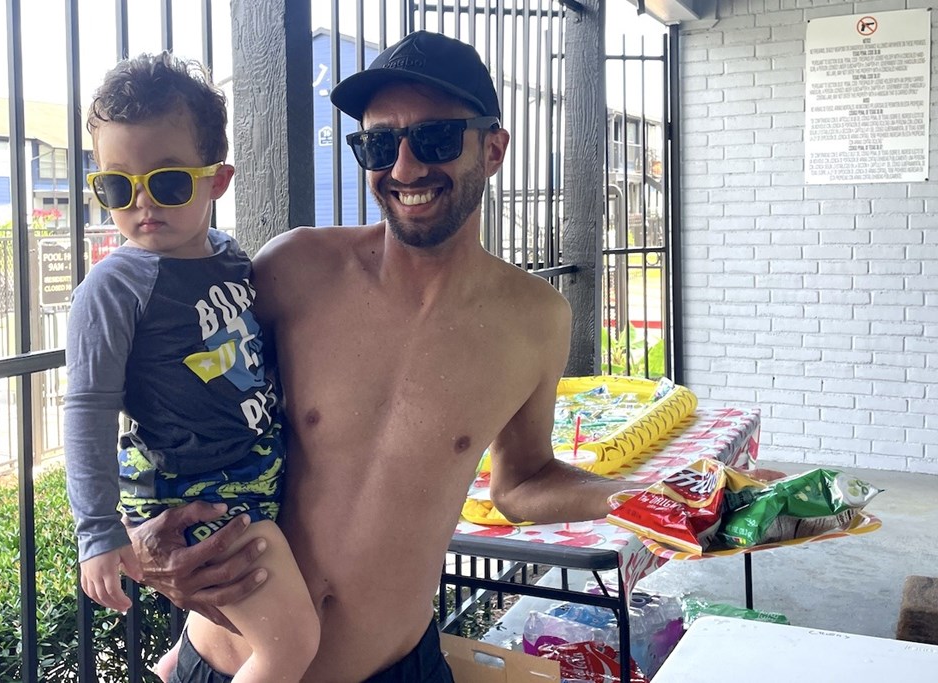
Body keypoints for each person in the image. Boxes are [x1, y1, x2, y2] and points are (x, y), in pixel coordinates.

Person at [134, 31, 634, 682]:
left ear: (493, 149)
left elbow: (522, 482)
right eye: (377, 144)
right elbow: (168, 385)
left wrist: (646, 499)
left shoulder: (536, 321)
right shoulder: (297, 268)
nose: (403, 168)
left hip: (396, 668)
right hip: (230, 663)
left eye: (435, 139)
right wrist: (132, 536)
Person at [63, 52, 319, 683]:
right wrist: (97, 532)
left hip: (250, 471)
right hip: (194, 491)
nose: (142, 204)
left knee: (259, 619)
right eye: (117, 186)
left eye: (169, 182)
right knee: (290, 646)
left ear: (217, 180)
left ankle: (176, 663)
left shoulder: (230, 258)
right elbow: (87, 409)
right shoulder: (114, 287)